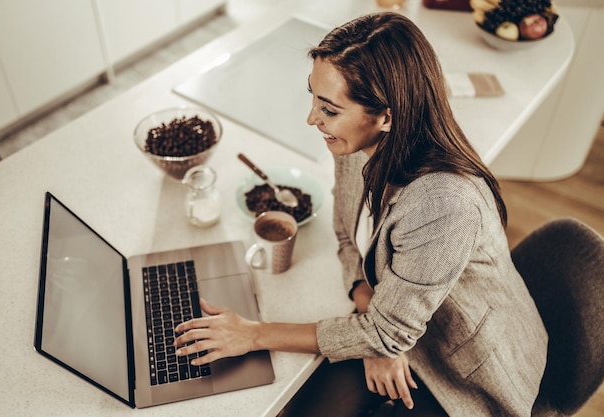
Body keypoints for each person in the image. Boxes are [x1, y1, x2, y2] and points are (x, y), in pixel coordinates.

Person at [175, 12, 548, 417]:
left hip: (465, 370)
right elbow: (344, 234)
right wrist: (368, 309)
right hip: (401, 324)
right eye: (314, 98)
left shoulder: (444, 205)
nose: (312, 119)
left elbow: (388, 333)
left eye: (329, 109)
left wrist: (253, 335)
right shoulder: (358, 144)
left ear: (386, 116)